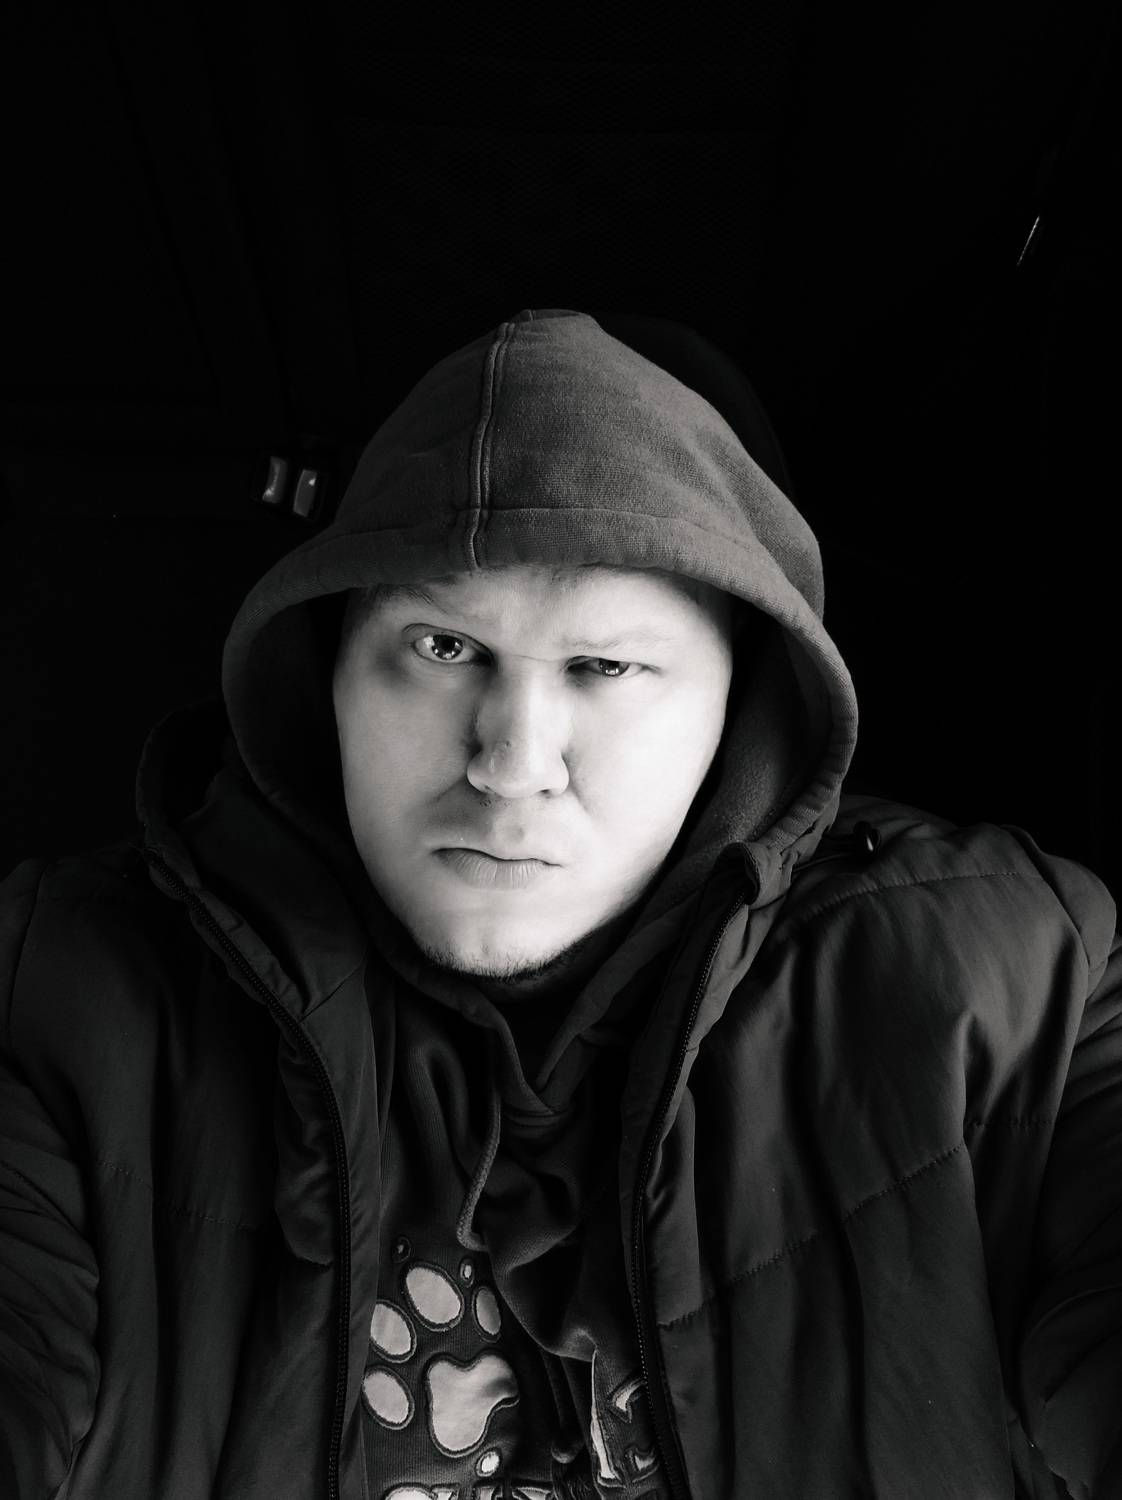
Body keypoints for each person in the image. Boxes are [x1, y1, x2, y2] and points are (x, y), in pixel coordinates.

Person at [0, 307, 1117, 1500]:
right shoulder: (64, 993)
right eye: (442, 646)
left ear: (739, 711)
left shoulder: (1024, 986)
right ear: (326, 672)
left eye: (605, 666)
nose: (511, 761)